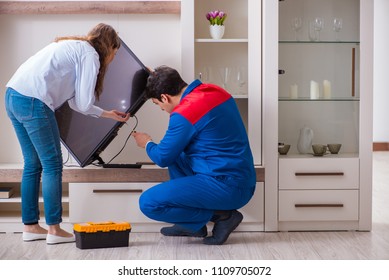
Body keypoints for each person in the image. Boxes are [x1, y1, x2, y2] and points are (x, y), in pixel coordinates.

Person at [4, 23, 129, 244]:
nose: (112, 59)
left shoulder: (74, 46)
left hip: (13, 95)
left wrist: (108, 114)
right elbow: (82, 103)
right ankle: (54, 229)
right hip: (34, 100)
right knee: (52, 165)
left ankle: (30, 226)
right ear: (109, 47)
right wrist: (106, 113)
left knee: (32, 164)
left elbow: (74, 103)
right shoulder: (90, 55)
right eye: (115, 53)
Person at [133, 66, 256, 245]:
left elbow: (162, 158)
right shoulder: (214, 90)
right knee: (176, 153)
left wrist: (147, 143)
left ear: (164, 97)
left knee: (148, 203)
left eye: (157, 104)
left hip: (228, 187)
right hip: (241, 179)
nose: (161, 109)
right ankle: (192, 226)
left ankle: (224, 217)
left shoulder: (185, 112)